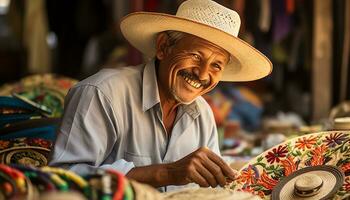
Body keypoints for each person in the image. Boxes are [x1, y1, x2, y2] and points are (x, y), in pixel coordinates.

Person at [49, 0, 272, 192]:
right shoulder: (102, 94)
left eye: (216, 65)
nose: (203, 74)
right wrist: (165, 173)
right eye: (195, 55)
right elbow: (62, 179)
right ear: (163, 47)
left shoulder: (202, 113)